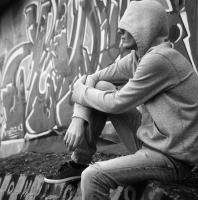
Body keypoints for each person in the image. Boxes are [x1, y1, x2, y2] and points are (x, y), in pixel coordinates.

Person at [44, 0, 198, 199]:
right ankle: (78, 163)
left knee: (93, 176)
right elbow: (92, 78)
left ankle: (83, 168)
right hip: (153, 141)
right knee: (100, 87)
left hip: (173, 159)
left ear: (146, 28)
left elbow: (117, 103)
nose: (120, 32)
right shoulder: (138, 57)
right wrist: (78, 117)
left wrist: (80, 93)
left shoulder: (160, 59)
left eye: (128, 27)